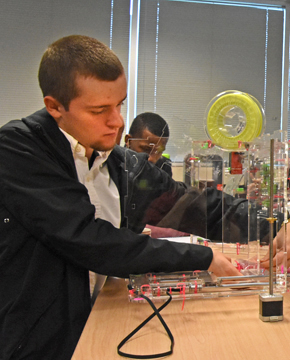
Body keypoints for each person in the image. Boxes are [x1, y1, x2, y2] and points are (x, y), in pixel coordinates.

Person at [0, 35, 244, 359]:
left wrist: (278, 225)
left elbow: (190, 205)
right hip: (39, 344)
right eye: (100, 110)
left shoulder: (117, 161)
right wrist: (205, 259)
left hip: (100, 320)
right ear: (54, 107)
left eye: (119, 105)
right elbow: (91, 240)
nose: (116, 122)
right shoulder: (18, 149)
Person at [124, 111, 173, 176]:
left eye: (159, 151)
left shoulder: (163, 166)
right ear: (128, 141)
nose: (152, 159)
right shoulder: (114, 165)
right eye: (146, 149)